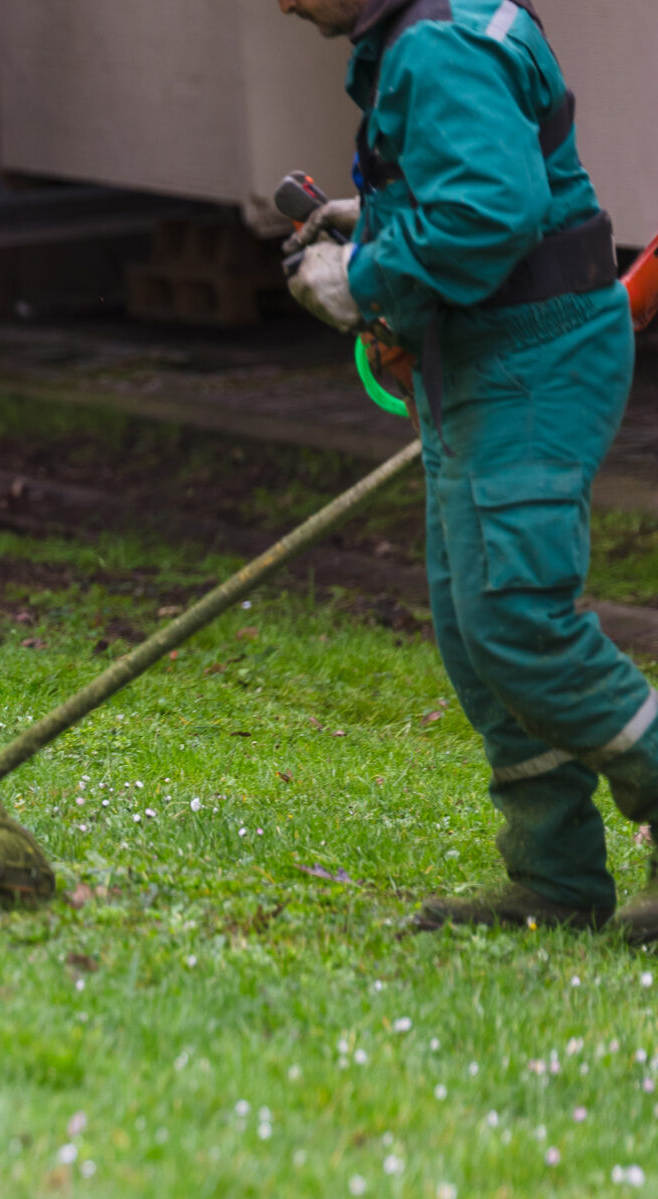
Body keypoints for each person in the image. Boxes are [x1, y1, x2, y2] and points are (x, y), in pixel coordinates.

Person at [277, 0, 654, 940]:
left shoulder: (433, 48)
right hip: (487, 356)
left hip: (533, 362)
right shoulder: (431, 31)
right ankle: (557, 882)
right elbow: (484, 179)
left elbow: (493, 210)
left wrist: (360, 277)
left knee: (521, 620)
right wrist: (377, 217)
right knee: (476, 630)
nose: (280, 2)